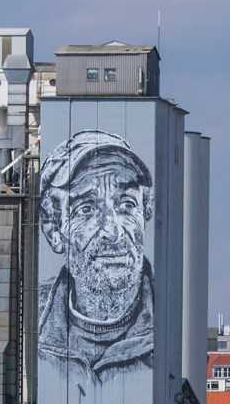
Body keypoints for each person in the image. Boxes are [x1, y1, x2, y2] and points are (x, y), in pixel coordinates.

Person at [37, 128, 155, 381]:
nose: (113, 232)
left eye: (127, 205)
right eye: (86, 209)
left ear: (145, 214)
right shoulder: (30, 327)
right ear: (53, 230)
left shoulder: (173, 323)